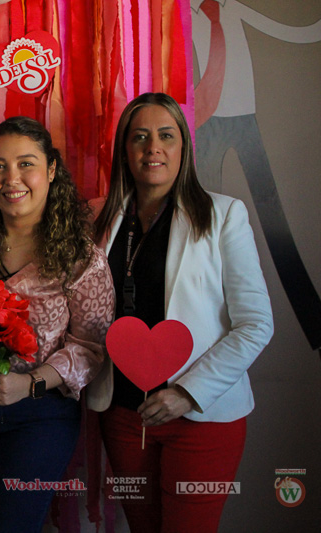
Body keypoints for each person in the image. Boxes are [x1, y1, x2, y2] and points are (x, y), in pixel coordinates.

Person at [87, 92, 274, 532]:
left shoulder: (223, 215)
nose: (153, 147)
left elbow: (256, 324)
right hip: (123, 416)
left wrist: (187, 393)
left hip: (201, 418)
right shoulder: (96, 216)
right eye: (140, 137)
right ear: (124, 150)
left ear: (183, 147)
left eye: (165, 135)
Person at [0, 116, 115, 533]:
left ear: (51, 169)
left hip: (42, 411)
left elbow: (90, 348)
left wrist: (30, 384)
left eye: (26, 164)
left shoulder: (82, 258)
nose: (11, 179)